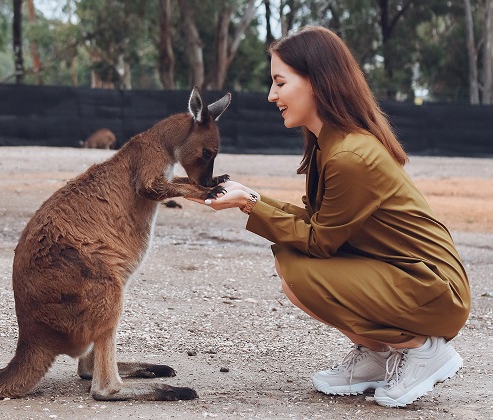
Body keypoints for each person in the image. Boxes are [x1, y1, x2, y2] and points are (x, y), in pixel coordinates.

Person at [187, 25, 471, 408]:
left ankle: (422, 348)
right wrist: (248, 196)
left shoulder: (350, 154)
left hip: (432, 289)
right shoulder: (331, 143)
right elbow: (317, 221)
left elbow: (320, 241)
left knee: (300, 271)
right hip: (408, 276)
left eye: (279, 82)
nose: (272, 95)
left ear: (316, 83)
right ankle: (376, 356)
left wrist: (249, 203)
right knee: (289, 259)